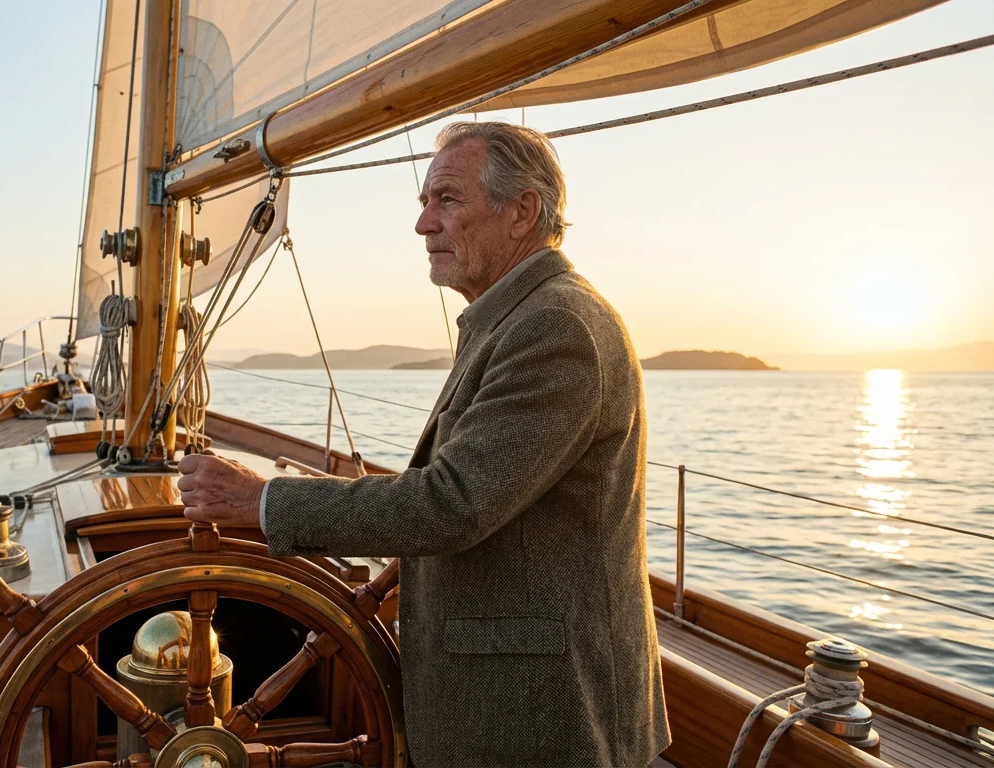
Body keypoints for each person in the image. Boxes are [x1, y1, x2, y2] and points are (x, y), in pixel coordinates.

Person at [177, 121, 669, 767]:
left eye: (448, 200)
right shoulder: (519, 317)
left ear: (522, 211)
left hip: (539, 719)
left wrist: (262, 502)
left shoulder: (557, 327)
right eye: (423, 204)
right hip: (512, 708)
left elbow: (451, 503)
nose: (424, 225)